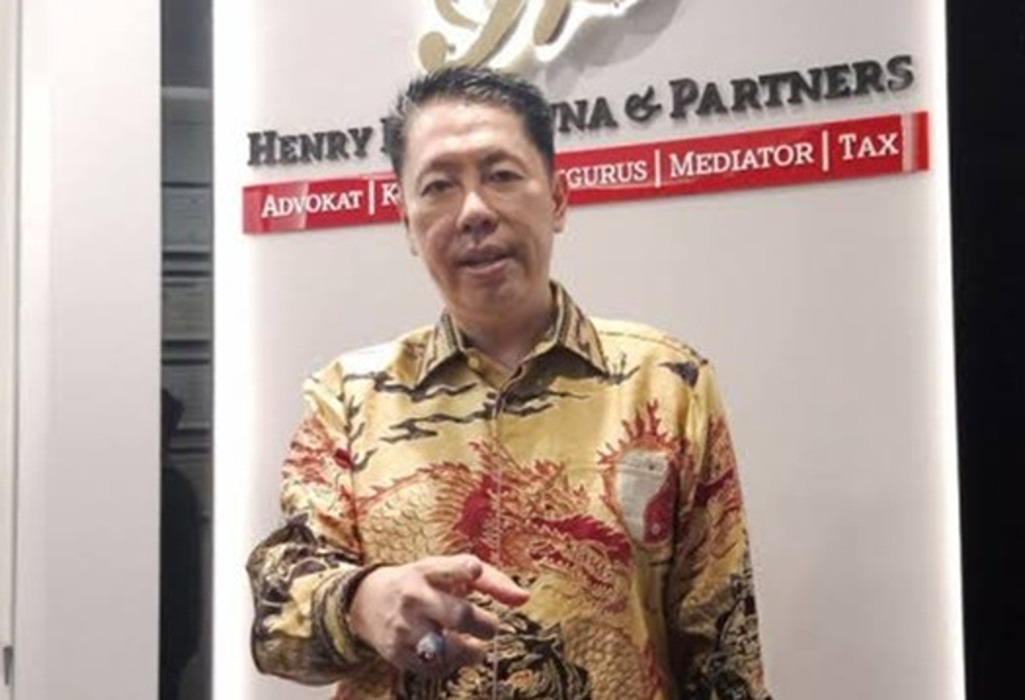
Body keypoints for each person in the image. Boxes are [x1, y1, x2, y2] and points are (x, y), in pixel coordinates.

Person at [247, 66, 772, 699]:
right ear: (406, 220)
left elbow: (723, 647)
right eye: (439, 186)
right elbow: (276, 623)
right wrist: (360, 599)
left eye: (501, 175)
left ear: (557, 199)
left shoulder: (666, 382)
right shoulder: (350, 398)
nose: (473, 211)